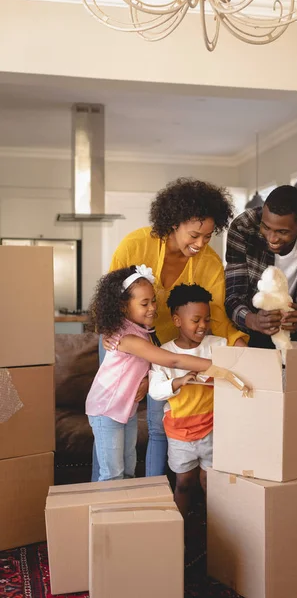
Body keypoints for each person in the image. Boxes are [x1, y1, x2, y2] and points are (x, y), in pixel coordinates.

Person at [96, 178, 248, 480]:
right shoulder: (135, 244)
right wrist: (130, 373)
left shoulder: (210, 262)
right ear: (174, 222)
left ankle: (158, 496)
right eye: (194, 235)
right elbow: (110, 299)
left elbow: (216, 311)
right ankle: (96, 492)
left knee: (159, 426)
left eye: (207, 236)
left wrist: (239, 346)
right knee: (111, 421)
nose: (200, 244)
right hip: (124, 338)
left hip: (167, 346)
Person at [86, 265, 215, 482]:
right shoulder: (128, 338)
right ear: (123, 307)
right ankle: (105, 516)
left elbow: (137, 366)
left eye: (153, 300)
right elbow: (172, 359)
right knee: (112, 474)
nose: (153, 307)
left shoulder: (140, 331)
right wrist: (216, 365)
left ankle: (125, 514)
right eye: (144, 303)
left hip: (125, 410)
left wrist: (145, 380)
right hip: (106, 410)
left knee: (127, 471)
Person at [149, 283, 226, 517]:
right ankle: (178, 529)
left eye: (207, 319)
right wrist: (177, 382)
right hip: (180, 433)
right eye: (196, 320)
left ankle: (215, 530)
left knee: (209, 482)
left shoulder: (218, 345)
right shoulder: (164, 352)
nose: (203, 325)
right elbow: (155, 390)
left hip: (212, 428)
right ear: (177, 321)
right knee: (184, 482)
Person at [225, 185, 297, 348]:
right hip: (248, 329)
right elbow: (233, 296)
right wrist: (254, 320)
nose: (272, 238)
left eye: (282, 232)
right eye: (266, 227)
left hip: (292, 331)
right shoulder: (243, 227)